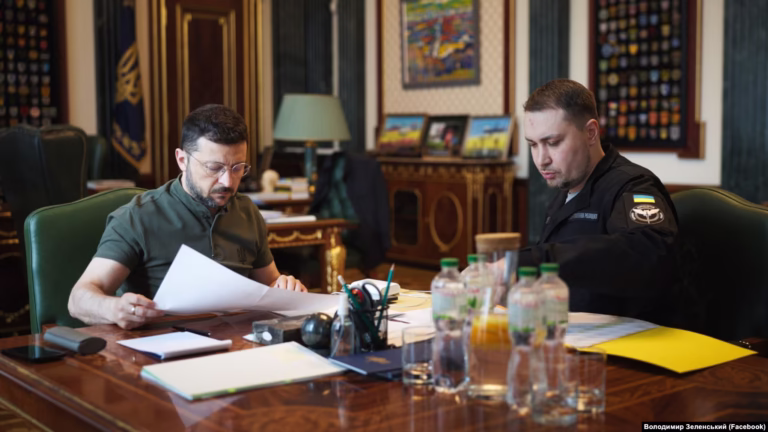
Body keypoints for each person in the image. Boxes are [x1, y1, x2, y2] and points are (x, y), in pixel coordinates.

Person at [69, 104, 307, 329]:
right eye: (214, 168)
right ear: (182, 160)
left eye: (237, 168)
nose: (227, 181)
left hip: (238, 341)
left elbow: (271, 284)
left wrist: (285, 286)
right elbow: (78, 299)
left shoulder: (247, 211)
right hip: (162, 342)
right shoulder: (137, 217)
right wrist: (114, 309)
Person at [519, 79, 682, 325]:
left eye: (552, 143)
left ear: (591, 133)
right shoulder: (565, 190)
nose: (541, 160)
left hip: (630, 338)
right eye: (533, 145)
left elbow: (650, 254)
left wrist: (536, 261)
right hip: (568, 331)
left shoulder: (633, 186)